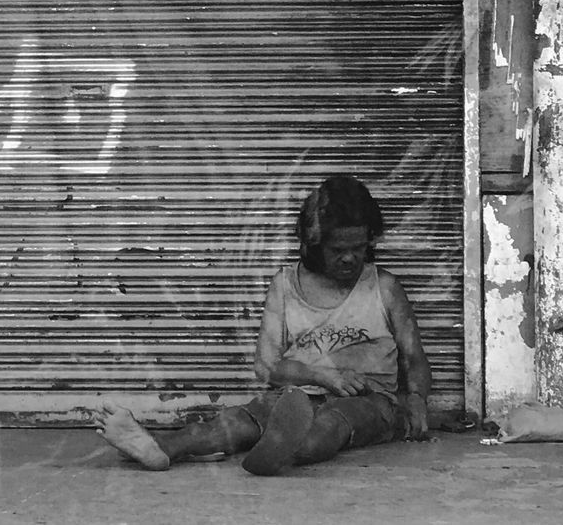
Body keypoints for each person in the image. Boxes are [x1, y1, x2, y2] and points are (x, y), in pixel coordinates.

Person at [95, 173, 431, 476]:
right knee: (233, 422)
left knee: (329, 427)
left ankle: (283, 450)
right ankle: (157, 449)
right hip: (296, 398)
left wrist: (416, 399)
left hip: (369, 400)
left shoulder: (383, 287)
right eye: (338, 249)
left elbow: (413, 356)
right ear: (313, 244)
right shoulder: (284, 285)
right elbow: (267, 367)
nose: (350, 258)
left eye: (358, 248)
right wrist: (323, 376)